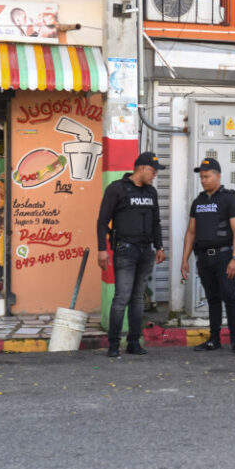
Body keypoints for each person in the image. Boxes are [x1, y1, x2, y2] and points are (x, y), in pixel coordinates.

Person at [97, 152, 167, 357]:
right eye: (153, 171)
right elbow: (102, 221)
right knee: (122, 297)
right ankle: (113, 344)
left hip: (146, 251)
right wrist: (102, 249)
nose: (154, 175)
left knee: (138, 299)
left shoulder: (151, 192)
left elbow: (156, 221)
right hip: (125, 251)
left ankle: (134, 342)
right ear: (142, 169)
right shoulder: (117, 189)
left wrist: (159, 246)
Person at [180, 158, 235, 353]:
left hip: (224, 257)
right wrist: (185, 259)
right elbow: (191, 232)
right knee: (212, 299)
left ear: (218, 176)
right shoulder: (198, 202)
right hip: (204, 258)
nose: (203, 180)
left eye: (207, 176)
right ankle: (214, 339)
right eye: (201, 177)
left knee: (229, 297)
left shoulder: (230, 199)